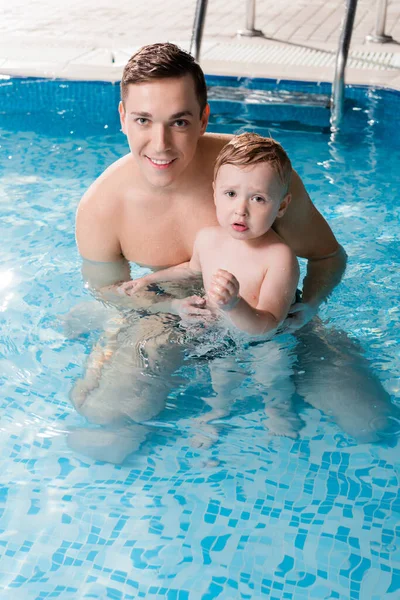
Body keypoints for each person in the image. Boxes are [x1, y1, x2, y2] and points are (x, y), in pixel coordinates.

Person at [69, 43, 398, 462]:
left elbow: (328, 257)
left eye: (180, 121)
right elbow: (110, 292)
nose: (161, 144)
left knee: (370, 421)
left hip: (269, 315)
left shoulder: (253, 174)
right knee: (109, 420)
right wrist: (168, 310)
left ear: (204, 118)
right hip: (169, 317)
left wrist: (309, 306)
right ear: (122, 118)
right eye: (143, 120)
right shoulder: (102, 205)